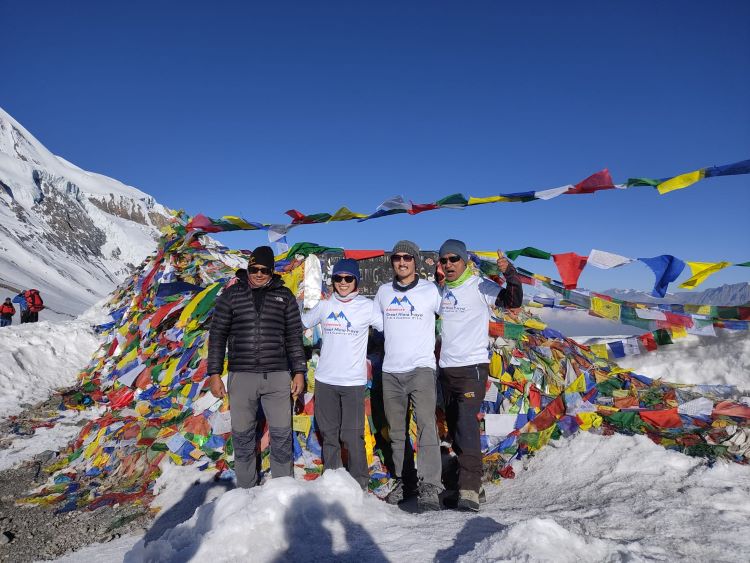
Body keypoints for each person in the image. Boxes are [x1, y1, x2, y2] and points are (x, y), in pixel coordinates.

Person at [206, 245, 306, 488]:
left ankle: (283, 487)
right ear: (248, 268)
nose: (259, 274)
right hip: (242, 376)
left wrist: (299, 372)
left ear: (272, 271)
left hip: (278, 376)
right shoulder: (231, 296)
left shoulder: (285, 296)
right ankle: (246, 487)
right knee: (242, 434)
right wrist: (214, 374)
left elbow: (294, 336)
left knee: (282, 434)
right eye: (254, 269)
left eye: (264, 270)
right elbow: (218, 335)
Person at [437, 239, 522, 512]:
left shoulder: (480, 285)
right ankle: (474, 484)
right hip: (446, 369)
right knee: (455, 428)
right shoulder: (440, 292)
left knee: (466, 423)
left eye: (454, 259)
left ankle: (470, 490)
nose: (449, 264)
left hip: (473, 367)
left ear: (465, 261)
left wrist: (510, 273)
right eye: (445, 260)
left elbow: (512, 300)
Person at [373, 241, 443, 511]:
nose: (402, 262)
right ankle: (406, 481)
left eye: (407, 258)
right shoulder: (383, 292)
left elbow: (448, 314)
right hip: (391, 370)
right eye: (397, 258)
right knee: (397, 431)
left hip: (421, 368)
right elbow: (377, 320)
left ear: (415, 261)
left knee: (426, 425)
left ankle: (430, 485)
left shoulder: (429, 291)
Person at [301, 258, 374, 489]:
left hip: (352, 382)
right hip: (325, 381)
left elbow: (390, 329)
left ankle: (358, 483)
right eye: (338, 278)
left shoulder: (367, 307)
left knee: (352, 436)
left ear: (356, 281)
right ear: (332, 281)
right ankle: (332, 481)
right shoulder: (325, 306)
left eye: (348, 278)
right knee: (329, 434)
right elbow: (300, 323)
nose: (343, 283)